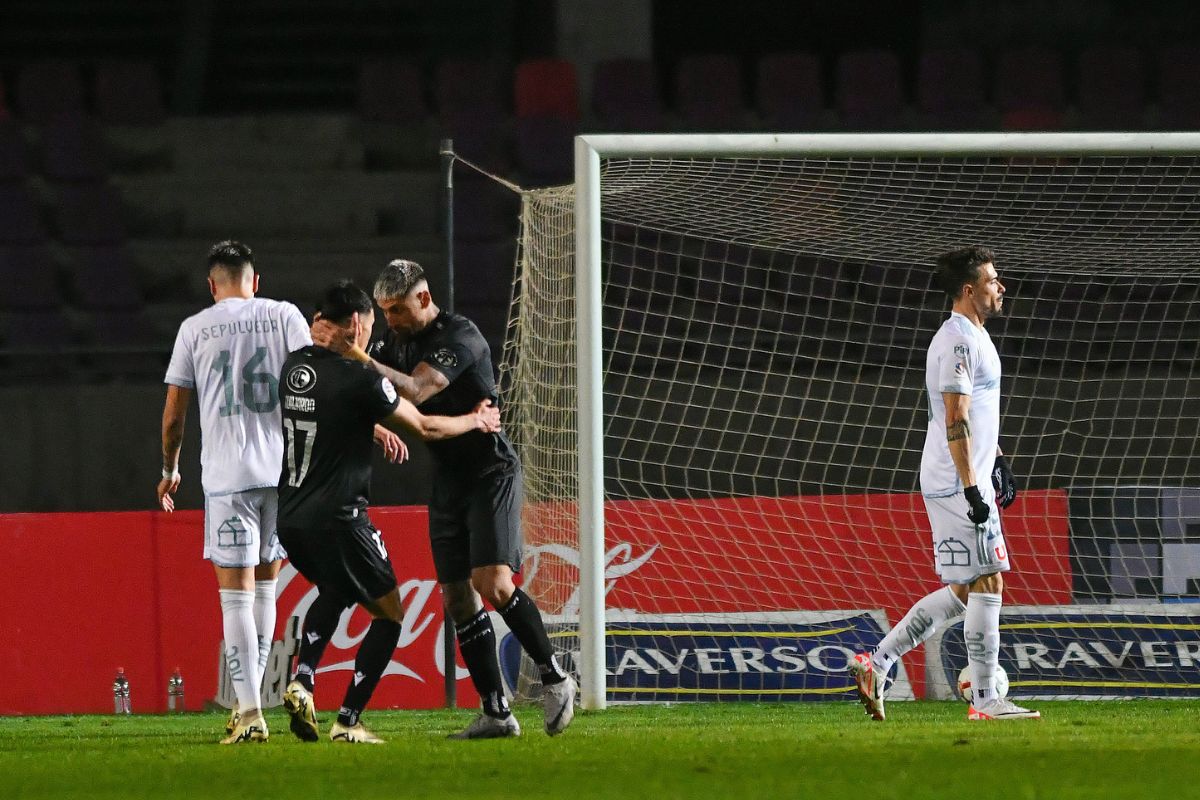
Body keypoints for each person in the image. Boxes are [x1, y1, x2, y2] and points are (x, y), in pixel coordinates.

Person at [313, 259, 576, 739]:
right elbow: (384, 392)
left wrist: (355, 356)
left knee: (493, 584)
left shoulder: (462, 336)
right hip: (448, 478)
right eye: (385, 311)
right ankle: (497, 712)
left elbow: (413, 388)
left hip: (489, 471)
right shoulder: (398, 340)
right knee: (458, 600)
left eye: (396, 310)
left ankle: (555, 678)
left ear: (425, 299)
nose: (389, 320)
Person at [277, 280, 501, 744]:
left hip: (292, 516)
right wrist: (476, 420)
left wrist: (375, 431)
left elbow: (331, 412)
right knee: (390, 613)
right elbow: (424, 426)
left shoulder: (295, 366)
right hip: (340, 517)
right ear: (357, 326)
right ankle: (349, 722)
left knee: (337, 589)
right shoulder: (361, 379)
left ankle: (303, 679)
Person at [849, 246, 1039, 722]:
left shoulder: (976, 336)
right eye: (994, 280)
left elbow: (973, 416)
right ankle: (985, 700)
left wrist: (996, 463)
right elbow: (953, 416)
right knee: (989, 579)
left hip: (963, 474)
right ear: (970, 289)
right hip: (956, 482)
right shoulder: (956, 340)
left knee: (963, 590)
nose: (1002, 287)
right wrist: (974, 488)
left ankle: (879, 663)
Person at [158, 241, 312, 744]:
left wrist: (170, 468)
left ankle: (249, 712)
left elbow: (176, 415)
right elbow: (314, 385)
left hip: (227, 477)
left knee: (234, 596)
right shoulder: (285, 315)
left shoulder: (194, 328)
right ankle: (254, 704)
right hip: (282, 473)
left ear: (212, 285)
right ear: (255, 280)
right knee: (266, 587)